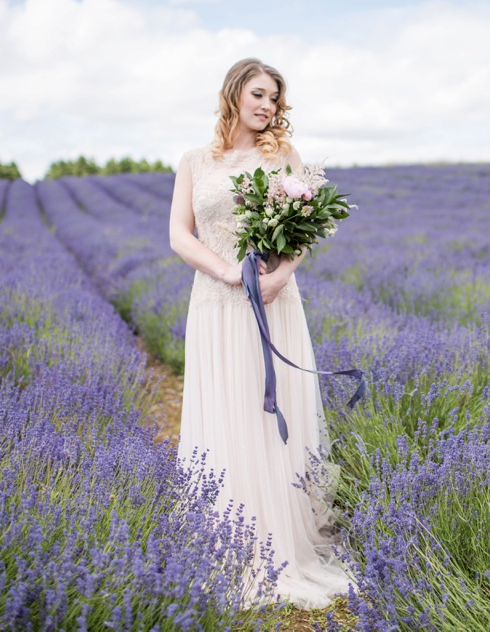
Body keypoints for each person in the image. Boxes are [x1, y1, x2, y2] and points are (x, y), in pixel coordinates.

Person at [169, 57, 352, 609]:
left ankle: (281, 541)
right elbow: (180, 235)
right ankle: (232, 539)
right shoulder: (195, 161)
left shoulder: (285, 157)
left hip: (273, 300)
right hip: (217, 302)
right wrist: (228, 273)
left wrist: (280, 277)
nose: (267, 104)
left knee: (273, 412)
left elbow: (304, 231)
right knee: (227, 408)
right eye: (258, 93)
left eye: (274, 96)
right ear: (233, 95)